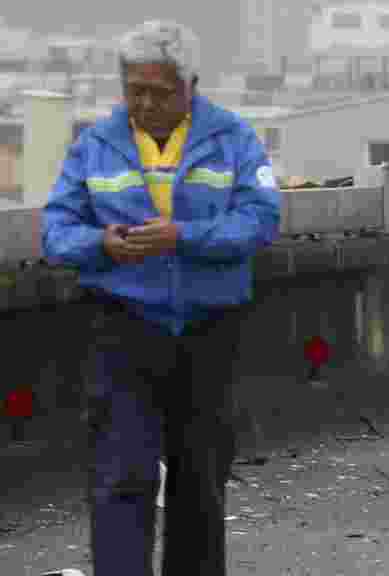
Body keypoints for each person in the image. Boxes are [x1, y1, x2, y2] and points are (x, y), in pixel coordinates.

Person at [40, 20, 281, 576]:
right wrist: (101, 244)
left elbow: (260, 220)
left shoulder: (234, 138)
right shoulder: (95, 145)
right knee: (122, 473)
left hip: (209, 328)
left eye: (159, 91)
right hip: (124, 326)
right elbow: (57, 231)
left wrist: (184, 237)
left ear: (190, 84)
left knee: (201, 475)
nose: (145, 103)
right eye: (134, 90)